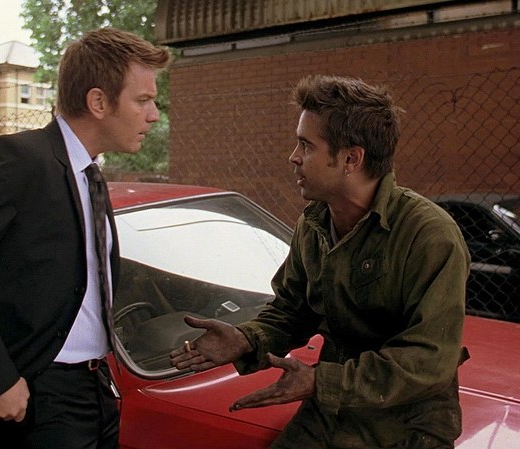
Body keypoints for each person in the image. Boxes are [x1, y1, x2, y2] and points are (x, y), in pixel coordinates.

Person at [170, 75, 470, 449]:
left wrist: (318, 381)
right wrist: (246, 339)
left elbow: (428, 359)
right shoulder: (314, 223)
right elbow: (292, 310)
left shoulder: (427, 235)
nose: (293, 157)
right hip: (330, 412)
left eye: (306, 145)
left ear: (351, 158)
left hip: (407, 426)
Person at [0, 28, 170, 449]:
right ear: (98, 102)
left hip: (95, 387)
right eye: (143, 100)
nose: (153, 114)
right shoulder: (21, 160)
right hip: (36, 397)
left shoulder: (89, 173)